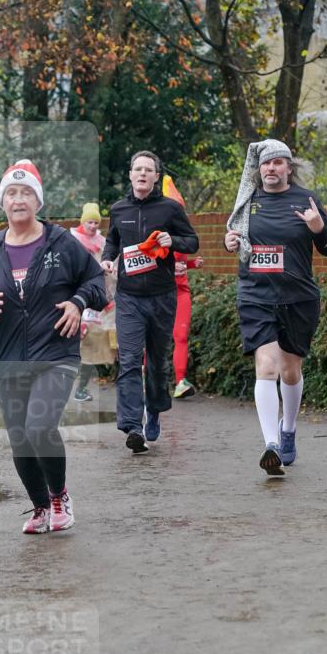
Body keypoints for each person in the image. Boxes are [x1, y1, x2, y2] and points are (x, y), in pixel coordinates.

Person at [0, 159, 106, 533]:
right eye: (11, 193)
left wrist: (78, 302)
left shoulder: (62, 243)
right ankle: (40, 508)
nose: (18, 199)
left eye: (26, 193)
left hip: (56, 352)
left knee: (39, 427)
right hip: (8, 358)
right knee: (20, 439)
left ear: (38, 202)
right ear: (2, 202)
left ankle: (59, 496)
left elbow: (97, 283)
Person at [224, 139, 327, 476]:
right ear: (258, 170)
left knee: (290, 369)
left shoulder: (306, 200)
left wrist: (318, 229)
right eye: (265, 164)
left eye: (277, 163)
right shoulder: (248, 202)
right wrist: (228, 241)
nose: (270, 169)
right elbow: (233, 236)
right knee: (267, 365)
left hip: (298, 298)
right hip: (255, 295)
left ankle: (288, 430)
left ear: (289, 167)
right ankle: (271, 443)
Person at [101, 151, 199, 454]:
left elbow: (192, 242)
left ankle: (154, 411)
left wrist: (174, 242)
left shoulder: (169, 208)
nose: (142, 174)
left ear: (157, 176)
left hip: (162, 297)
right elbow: (112, 240)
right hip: (129, 298)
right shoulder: (119, 209)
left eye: (148, 170)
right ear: (130, 174)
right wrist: (107, 259)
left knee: (156, 362)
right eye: (137, 169)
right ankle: (133, 426)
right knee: (129, 361)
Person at [162, 175, 205, 399]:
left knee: (181, 336)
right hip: (158, 293)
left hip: (181, 292)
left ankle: (180, 382)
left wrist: (191, 264)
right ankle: (145, 377)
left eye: (180, 209)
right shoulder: (155, 232)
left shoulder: (185, 232)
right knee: (154, 338)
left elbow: (179, 260)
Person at [70, 202, 117, 401]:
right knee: (87, 344)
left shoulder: (103, 242)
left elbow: (111, 269)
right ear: (83, 221)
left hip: (101, 298)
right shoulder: (72, 241)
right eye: (90, 222)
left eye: (96, 223)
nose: (93, 226)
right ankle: (79, 388)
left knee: (109, 341)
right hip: (81, 299)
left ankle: (126, 383)